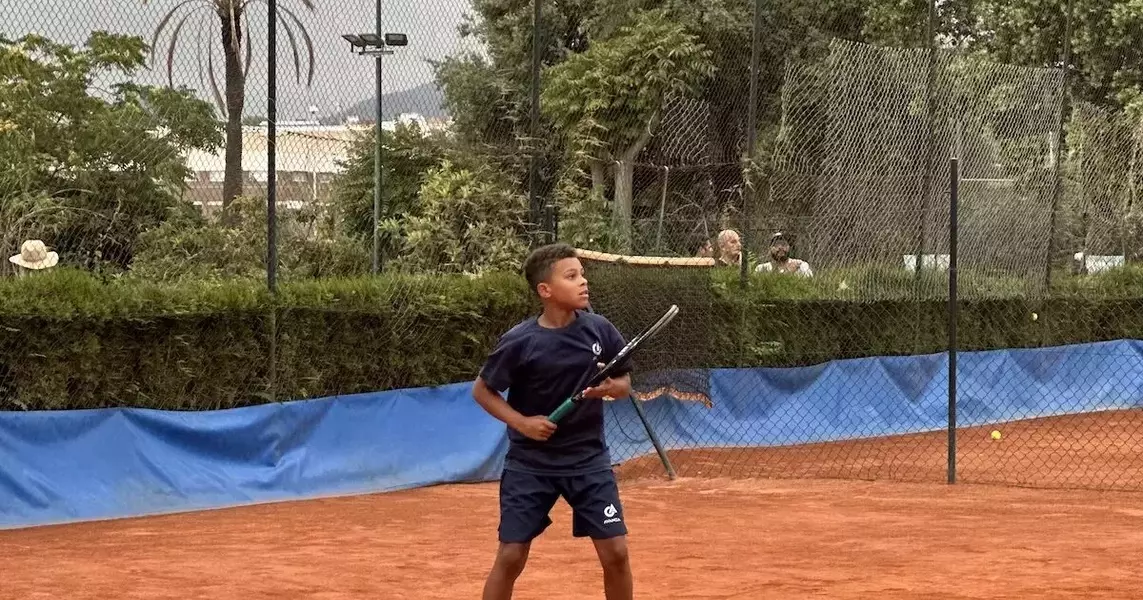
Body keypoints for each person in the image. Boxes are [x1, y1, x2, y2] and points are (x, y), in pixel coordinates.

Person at [473, 242, 635, 600]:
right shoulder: (520, 341)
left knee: (616, 553)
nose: (583, 282)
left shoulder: (600, 330)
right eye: (572, 276)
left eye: (583, 274)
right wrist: (523, 423)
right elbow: (482, 391)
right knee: (512, 556)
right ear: (545, 290)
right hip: (531, 464)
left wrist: (611, 387)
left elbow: (624, 383)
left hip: (588, 460)